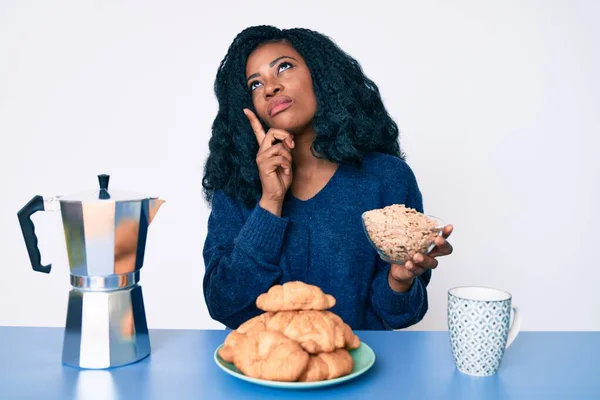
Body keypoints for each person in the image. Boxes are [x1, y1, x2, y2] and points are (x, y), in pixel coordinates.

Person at [201, 25, 454, 331]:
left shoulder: (387, 178)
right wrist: (270, 202)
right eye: (255, 84)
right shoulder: (235, 187)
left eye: (284, 67)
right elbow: (222, 304)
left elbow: (395, 316)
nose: (270, 88)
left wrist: (398, 281)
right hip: (264, 374)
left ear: (320, 76)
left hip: (360, 368)